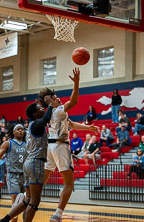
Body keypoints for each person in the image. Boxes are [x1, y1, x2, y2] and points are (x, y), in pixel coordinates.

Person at [37, 68, 99, 222]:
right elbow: (74, 101)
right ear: (52, 100)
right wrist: (77, 83)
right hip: (60, 147)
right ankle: (58, 214)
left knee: (41, 181)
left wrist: (88, 128)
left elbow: (70, 124)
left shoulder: (50, 113)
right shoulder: (58, 110)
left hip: (50, 149)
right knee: (69, 183)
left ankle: (26, 199)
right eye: (56, 97)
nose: (59, 98)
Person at [0, 95, 58, 222]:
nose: (42, 109)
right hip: (36, 163)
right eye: (39, 108)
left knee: (27, 199)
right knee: (35, 200)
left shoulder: (33, 127)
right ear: (34, 113)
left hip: (28, 164)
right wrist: (51, 105)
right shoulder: (36, 124)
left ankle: (4, 220)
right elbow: (45, 119)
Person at [0, 124, 27, 222]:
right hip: (13, 175)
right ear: (13, 132)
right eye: (18, 129)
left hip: (25, 176)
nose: (20, 131)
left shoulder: (27, 144)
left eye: (22, 129)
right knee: (16, 202)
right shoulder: (8, 143)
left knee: (25, 203)